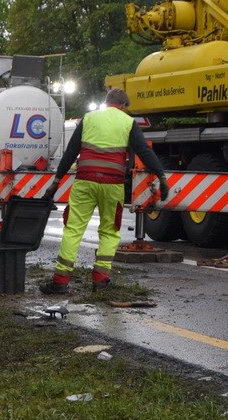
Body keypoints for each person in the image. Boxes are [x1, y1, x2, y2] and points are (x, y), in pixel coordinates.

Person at [39, 88, 169, 294]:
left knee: (73, 229)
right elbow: (144, 151)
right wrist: (161, 176)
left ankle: (60, 281)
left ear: (106, 102)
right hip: (112, 185)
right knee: (109, 231)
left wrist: (56, 181)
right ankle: (100, 280)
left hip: (85, 182)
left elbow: (71, 152)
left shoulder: (89, 118)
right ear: (124, 106)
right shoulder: (128, 122)